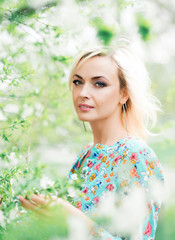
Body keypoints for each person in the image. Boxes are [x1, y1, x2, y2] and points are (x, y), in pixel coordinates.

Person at [19, 45, 164, 240]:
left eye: (99, 84)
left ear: (124, 93)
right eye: (78, 82)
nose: (83, 92)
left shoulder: (135, 155)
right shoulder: (86, 155)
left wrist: (73, 219)